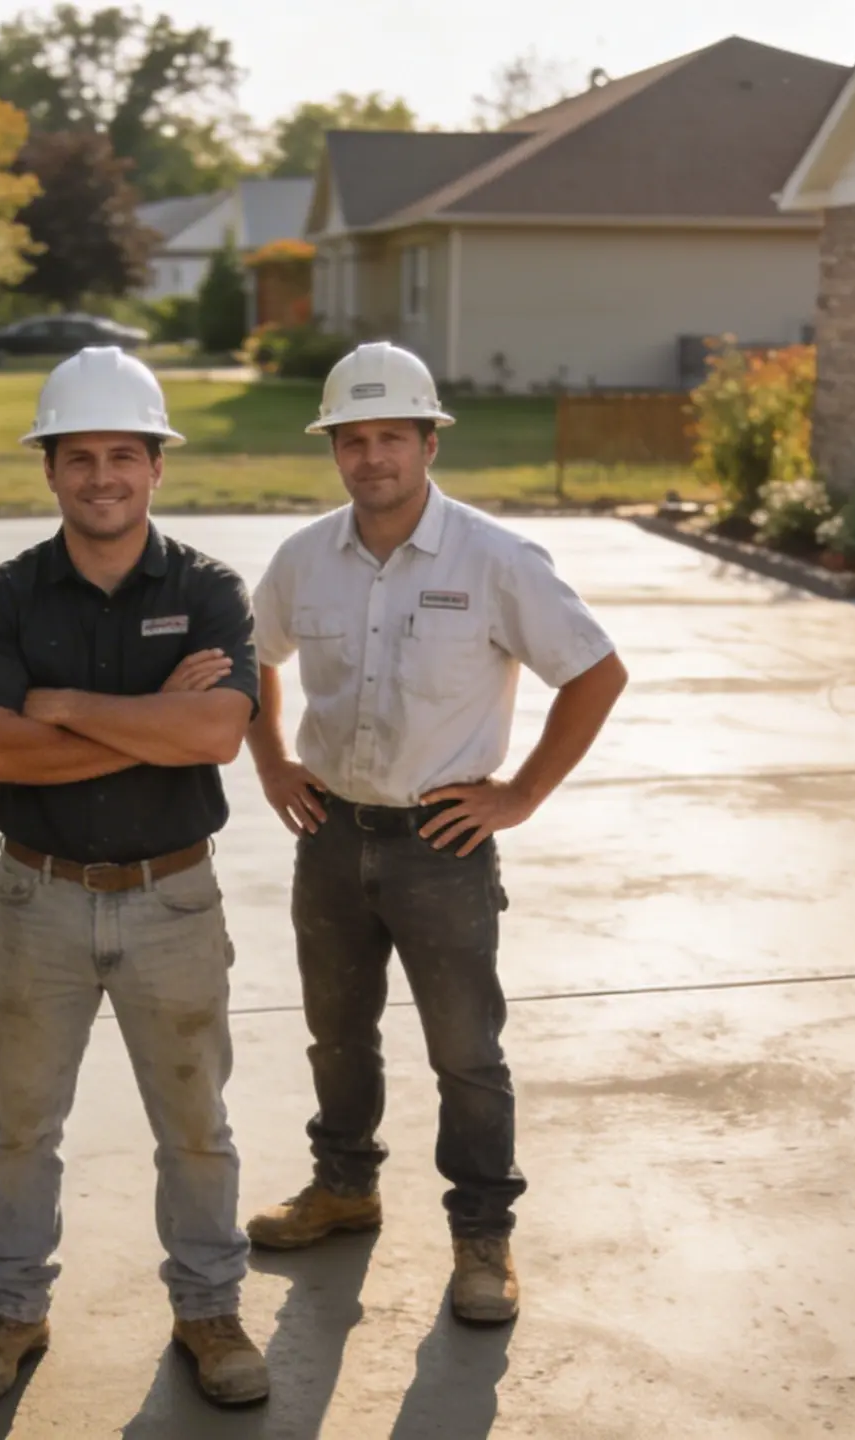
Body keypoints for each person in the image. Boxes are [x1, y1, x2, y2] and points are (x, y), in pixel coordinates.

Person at [242, 341, 627, 1325]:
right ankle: (343, 1187)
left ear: (427, 441)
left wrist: (521, 794)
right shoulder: (303, 560)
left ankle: (482, 1237)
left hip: (442, 846)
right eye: (352, 439)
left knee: (465, 1051)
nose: (371, 457)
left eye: (390, 438)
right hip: (329, 835)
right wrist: (273, 762)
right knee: (337, 1034)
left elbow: (593, 672)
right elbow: (251, 661)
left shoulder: (496, 559)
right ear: (334, 446)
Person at [0, 347, 268, 1406]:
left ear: (156, 466)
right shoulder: (1, 597)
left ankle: (210, 1309)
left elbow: (217, 734)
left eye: (123, 454)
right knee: (20, 1124)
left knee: (196, 1126)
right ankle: (11, 1309)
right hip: (37, 897)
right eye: (78, 457)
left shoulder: (211, 589)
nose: (101, 477)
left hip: (174, 898)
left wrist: (65, 706)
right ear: (50, 471)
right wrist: (150, 722)